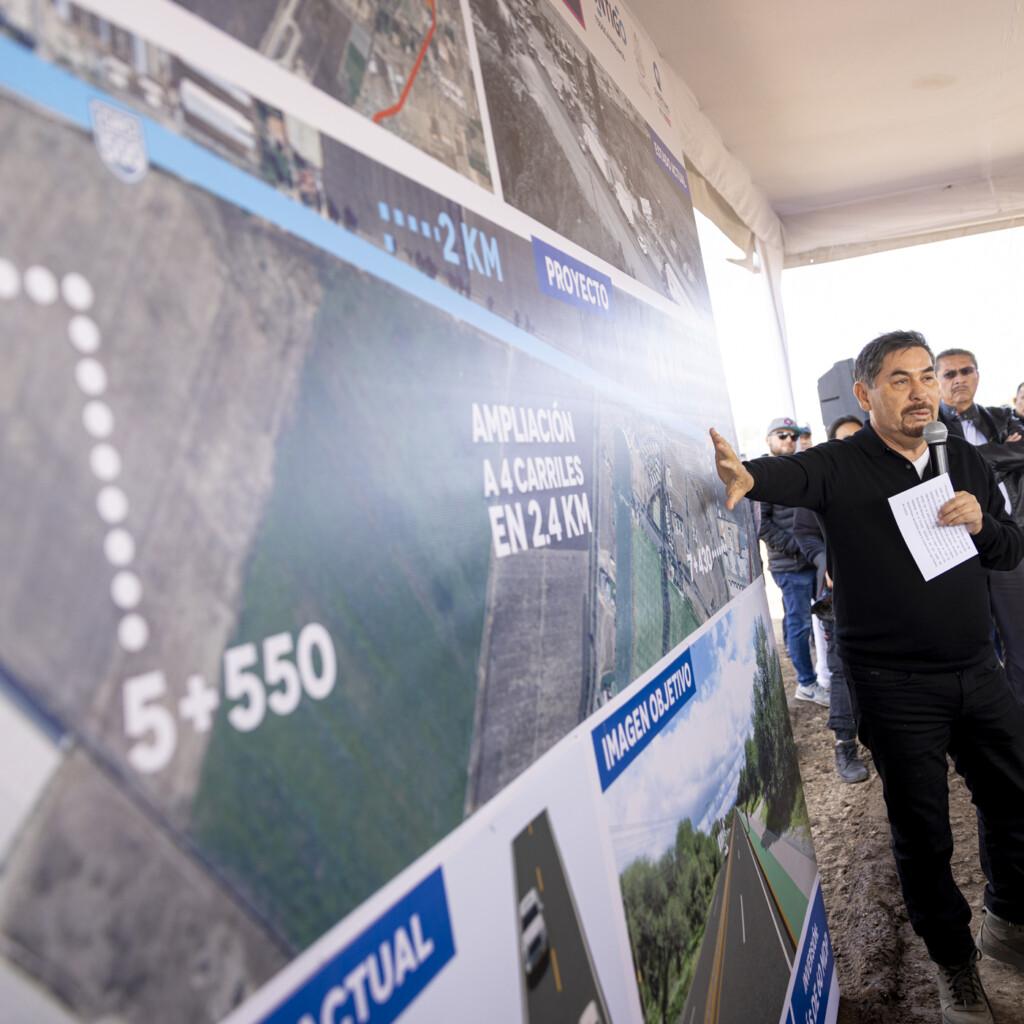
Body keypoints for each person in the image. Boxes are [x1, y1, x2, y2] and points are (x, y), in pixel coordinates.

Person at [710, 331, 1024, 1024]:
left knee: (1014, 794)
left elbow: (1009, 548)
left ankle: (1007, 919)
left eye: (926, 378)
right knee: (924, 832)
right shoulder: (840, 464)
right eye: (900, 380)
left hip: (978, 670)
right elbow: (783, 477)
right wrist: (748, 475)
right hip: (895, 686)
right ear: (865, 393)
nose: (920, 392)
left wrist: (980, 524)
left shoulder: (959, 455)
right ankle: (955, 968)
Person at [937, 348, 1024, 703]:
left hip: (1006, 542)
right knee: (972, 646)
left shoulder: (1002, 418)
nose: (959, 379)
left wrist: (975, 458)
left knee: (1019, 640)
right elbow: (942, 472)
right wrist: (998, 454)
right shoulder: (931, 429)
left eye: (966, 371)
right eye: (949, 374)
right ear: (937, 380)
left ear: (977, 374)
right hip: (956, 548)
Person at [792, 414, 868, 783]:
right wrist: (825, 561)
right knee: (842, 667)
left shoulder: (886, 475)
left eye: (859, 436)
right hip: (839, 596)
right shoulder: (821, 482)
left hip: (891, 595)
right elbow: (804, 533)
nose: (852, 443)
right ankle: (845, 745)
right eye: (844, 439)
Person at [758, 417, 828, 706]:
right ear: (769, 440)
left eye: (794, 435)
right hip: (790, 569)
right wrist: (800, 546)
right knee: (798, 625)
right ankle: (806, 683)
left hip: (815, 564)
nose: (789, 440)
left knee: (826, 621)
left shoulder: (804, 469)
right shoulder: (761, 476)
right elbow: (762, 527)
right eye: (782, 435)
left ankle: (828, 676)